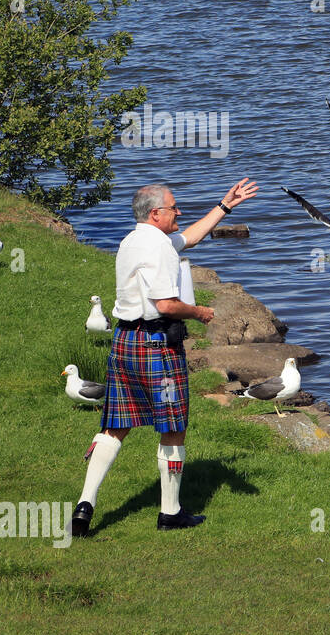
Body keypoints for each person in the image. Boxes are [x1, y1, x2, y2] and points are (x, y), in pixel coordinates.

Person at [71, 178, 259, 535]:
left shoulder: (135, 239)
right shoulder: (157, 248)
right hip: (156, 346)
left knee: (115, 427)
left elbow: (189, 237)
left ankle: (85, 504)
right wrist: (199, 312)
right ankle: (170, 513)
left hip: (124, 343)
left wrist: (225, 206)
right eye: (175, 208)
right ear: (156, 213)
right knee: (173, 427)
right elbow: (167, 305)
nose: (180, 212)